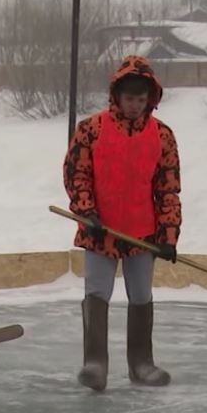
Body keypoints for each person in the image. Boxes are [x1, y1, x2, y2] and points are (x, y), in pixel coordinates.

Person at [64, 55, 181, 392]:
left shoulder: (163, 136)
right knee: (97, 292)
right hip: (100, 230)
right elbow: (77, 174)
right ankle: (95, 362)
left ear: (150, 99)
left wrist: (168, 234)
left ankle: (142, 363)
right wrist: (87, 213)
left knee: (141, 294)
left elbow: (168, 187)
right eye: (129, 99)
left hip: (142, 233)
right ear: (116, 96)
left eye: (141, 100)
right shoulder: (91, 129)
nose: (134, 106)